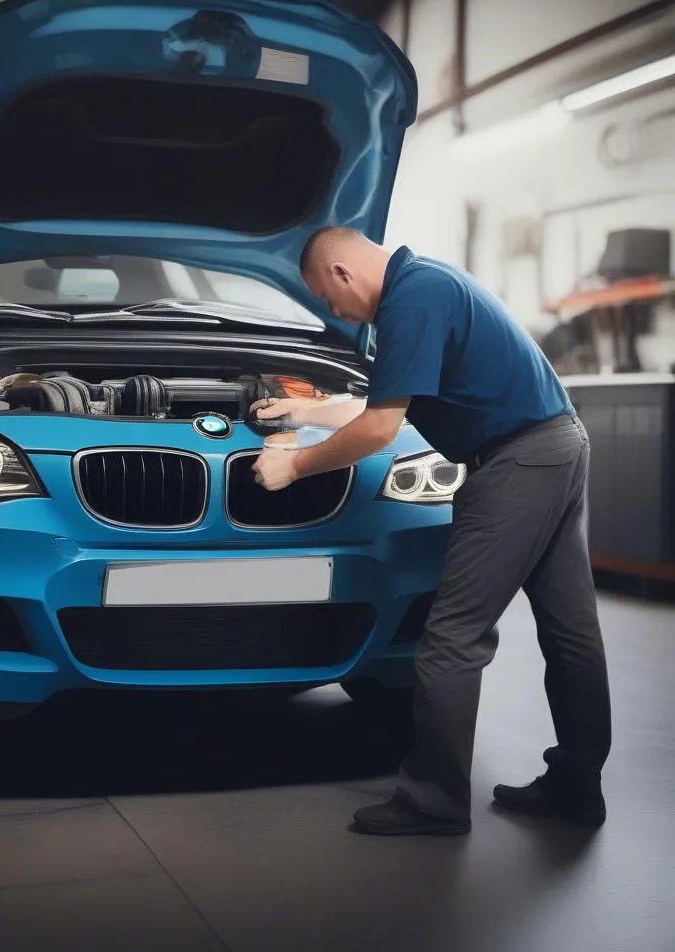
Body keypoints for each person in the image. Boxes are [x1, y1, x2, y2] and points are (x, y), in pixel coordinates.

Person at [250, 226, 612, 836]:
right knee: (570, 628)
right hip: (557, 445)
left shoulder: (410, 300)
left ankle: (433, 801)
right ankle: (578, 784)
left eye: (331, 300)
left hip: (519, 459)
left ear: (341, 274)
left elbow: (379, 430)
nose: (337, 313)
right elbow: (394, 399)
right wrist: (305, 411)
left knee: (452, 636)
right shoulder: (429, 284)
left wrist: (294, 462)